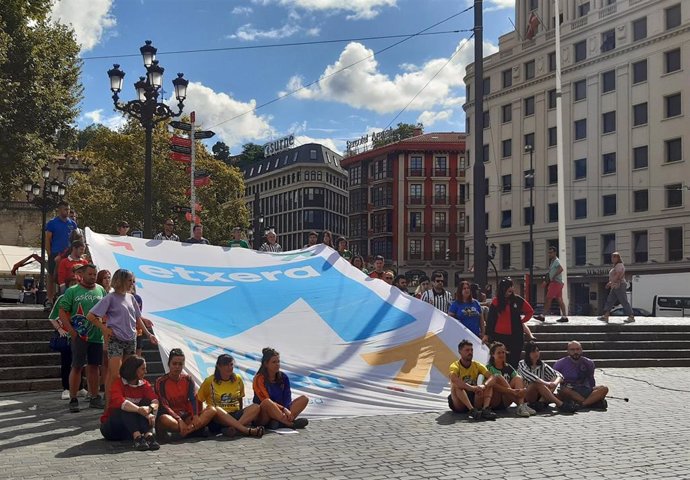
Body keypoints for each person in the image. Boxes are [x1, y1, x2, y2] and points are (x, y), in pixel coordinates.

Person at [86, 269, 157, 409]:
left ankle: (124, 402)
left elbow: (137, 318)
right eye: (129, 280)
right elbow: (91, 316)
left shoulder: (131, 298)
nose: (132, 283)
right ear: (121, 281)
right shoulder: (110, 298)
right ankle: (109, 405)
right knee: (115, 374)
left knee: (129, 373)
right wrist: (105, 329)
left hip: (131, 338)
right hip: (116, 339)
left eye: (133, 281)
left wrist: (149, 334)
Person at [58, 264, 107, 412]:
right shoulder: (72, 291)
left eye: (94, 274)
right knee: (77, 366)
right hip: (79, 336)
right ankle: (73, 398)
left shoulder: (101, 290)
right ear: (82, 274)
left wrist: (105, 330)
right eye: (90, 274)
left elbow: (106, 312)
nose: (92, 277)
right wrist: (71, 331)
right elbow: (62, 312)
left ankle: (94, 396)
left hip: (97, 336)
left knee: (94, 367)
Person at [100, 355, 160, 451]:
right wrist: (140, 410)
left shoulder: (144, 384)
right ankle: (137, 437)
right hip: (112, 428)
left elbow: (155, 400)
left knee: (146, 402)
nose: (146, 372)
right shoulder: (118, 383)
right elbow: (120, 402)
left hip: (129, 429)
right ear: (134, 370)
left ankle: (148, 435)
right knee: (125, 407)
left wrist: (149, 409)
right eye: (143, 369)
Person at [196, 354, 264, 438]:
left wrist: (242, 414)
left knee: (256, 407)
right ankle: (247, 430)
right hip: (218, 417)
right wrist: (198, 417)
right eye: (226, 365)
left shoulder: (237, 378)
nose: (229, 367)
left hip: (234, 414)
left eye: (231, 364)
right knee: (216, 409)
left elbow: (240, 399)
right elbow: (199, 399)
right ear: (219, 366)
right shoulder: (209, 381)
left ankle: (234, 429)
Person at [155, 348, 216, 438]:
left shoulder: (188, 379)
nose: (177, 367)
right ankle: (194, 430)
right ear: (169, 364)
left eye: (180, 364)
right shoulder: (160, 381)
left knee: (212, 410)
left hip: (186, 417)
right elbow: (164, 405)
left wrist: (195, 416)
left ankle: (187, 431)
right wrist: (179, 419)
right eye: (174, 364)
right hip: (172, 418)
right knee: (164, 419)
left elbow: (193, 399)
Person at [252, 347, 309, 429]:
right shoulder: (259, 378)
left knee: (304, 398)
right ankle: (291, 424)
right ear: (266, 364)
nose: (277, 364)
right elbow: (264, 398)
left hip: (281, 412)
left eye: (278, 362)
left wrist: (286, 410)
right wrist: (283, 409)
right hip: (264, 414)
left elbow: (287, 397)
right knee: (267, 402)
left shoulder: (283, 377)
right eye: (274, 362)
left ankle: (280, 422)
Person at [486, 278, 534, 368]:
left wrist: (521, 321)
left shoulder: (517, 300)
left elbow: (530, 311)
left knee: (514, 360)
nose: (510, 288)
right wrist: (487, 334)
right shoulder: (496, 301)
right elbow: (490, 319)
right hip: (499, 336)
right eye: (508, 287)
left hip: (516, 336)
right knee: (499, 360)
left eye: (511, 286)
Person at [518, 341, 576, 413]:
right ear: (528, 353)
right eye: (533, 351)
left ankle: (541, 403)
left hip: (541, 394)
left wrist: (554, 383)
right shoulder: (522, 363)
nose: (536, 353)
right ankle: (560, 404)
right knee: (537, 383)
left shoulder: (542, 365)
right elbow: (532, 377)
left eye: (537, 351)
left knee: (554, 378)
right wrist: (547, 383)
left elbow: (559, 375)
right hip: (528, 394)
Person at [447, 339, 497, 420]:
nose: (470, 352)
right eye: (467, 350)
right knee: (456, 385)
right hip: (460, 401)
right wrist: (472, 388)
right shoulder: (455, 366)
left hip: (474, 397)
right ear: (460, 351)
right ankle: (472, 410)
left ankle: (485, 409)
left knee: (489, 383)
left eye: (471, 350)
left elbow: (492, 377)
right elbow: (454, 379)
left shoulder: (477, 365)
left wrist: (484, 385)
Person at [553, 341, 609, 410]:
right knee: (564, 391)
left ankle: (583, 404)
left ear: (581, 350)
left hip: (585, 389)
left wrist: (594, 392)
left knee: (604, 388)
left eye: (578, 349)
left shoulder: (589, 363)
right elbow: (554, 379)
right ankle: (592, 402)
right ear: (568, 351)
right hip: (570, 391)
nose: (575, 352)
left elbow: (591, 379)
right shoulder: (559, 364)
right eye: (572, 350)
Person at [485, 342, 534, 417]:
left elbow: (518, 379)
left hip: (507, 399)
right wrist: (511, 391)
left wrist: (521, 388)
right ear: (492, 354)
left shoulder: (508, 367)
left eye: (503, 352)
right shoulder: (488, 368)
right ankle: (521, 404)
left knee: (518, 378)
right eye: (499, 353)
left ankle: (521, 406)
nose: (502, 355)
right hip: (495, 398)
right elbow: (492, 386)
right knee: (498, 377)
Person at [45, 200, 78, 306]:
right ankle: (49, 299)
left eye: (68, 209)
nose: (67, 211)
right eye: (65, 209)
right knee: (51, 276)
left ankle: (66, 298)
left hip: (68, 255)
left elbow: (75, 239)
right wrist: (49, 253)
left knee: (68, 276)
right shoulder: (52, 223)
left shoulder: (72, 224)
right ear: (59, 210)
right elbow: (47, 239)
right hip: (55, 253)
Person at [599, 252, 635, 324]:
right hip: (615, 285)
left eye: (614, 257)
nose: (612, 259)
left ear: (618, 258)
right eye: (612, 257)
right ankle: (606, 315)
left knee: (623, 300)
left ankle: (631, 316)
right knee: (610, 300)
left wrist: (610, 283)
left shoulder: (619, 265)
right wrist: (612, 283)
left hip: (619, 285)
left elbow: (618, 275)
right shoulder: (616, 266)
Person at [541, 246, 568, 323]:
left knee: (548, 298)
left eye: (551, 252)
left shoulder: (556, 261)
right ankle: (564, 317)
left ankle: (542, 315)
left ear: (555, 253)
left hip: (555, 283)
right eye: (548, 253)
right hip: (558, 283)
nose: (549, 254)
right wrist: (547, 280)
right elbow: (550, 273)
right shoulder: (552, 262)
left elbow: (561, 269)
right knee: (559, 300)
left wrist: (553, 276)